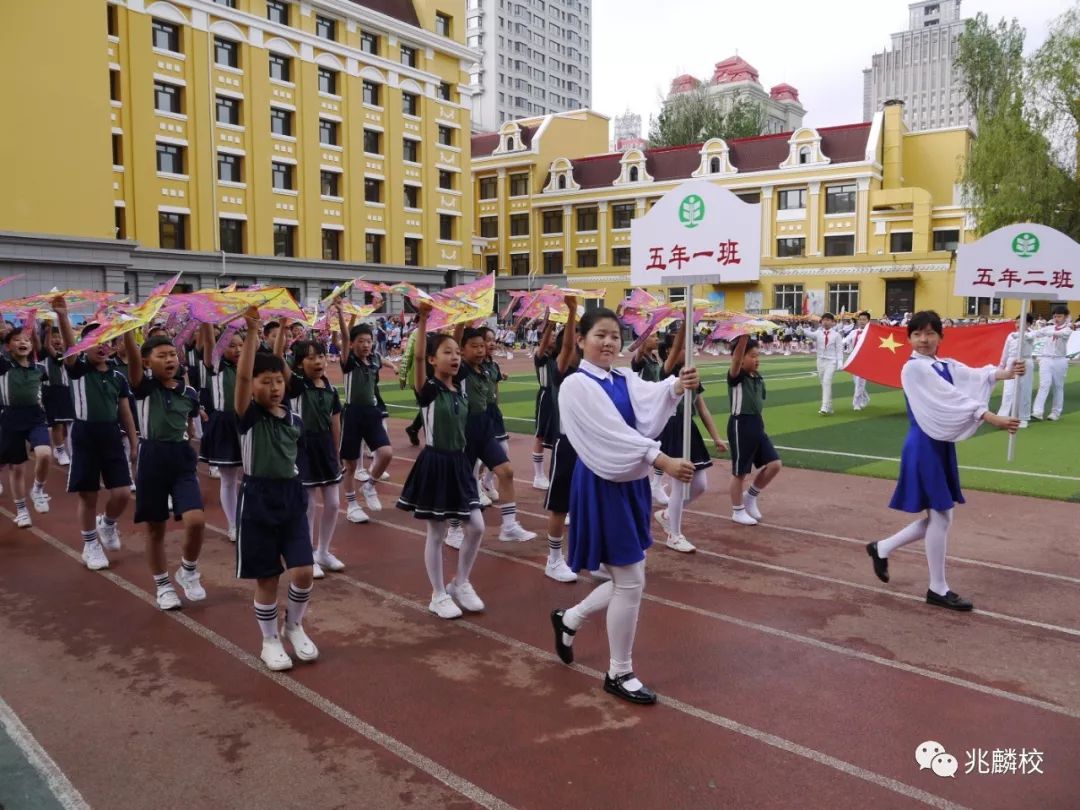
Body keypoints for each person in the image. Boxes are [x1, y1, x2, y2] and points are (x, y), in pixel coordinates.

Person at [550, 307, 698, 705]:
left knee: (626, 578)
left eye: (614, 336)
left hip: (629, 483)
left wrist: (675, 387)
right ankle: (619, 671)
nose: (608, 343)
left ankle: (571, 618)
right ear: (580, 339)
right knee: (631, 580)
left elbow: (649, 403)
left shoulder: (622, 377)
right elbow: (610, 434)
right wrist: (661, 459)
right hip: (603, 484)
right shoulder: (576, 385)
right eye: (600, 335)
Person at [866, 311, 1023, 611]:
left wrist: (1007, 371)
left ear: (940, 336)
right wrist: (990, 417)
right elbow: (951, 397)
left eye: (930, 333)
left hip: (939, 445)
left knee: (941, 516)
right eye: (917, 334)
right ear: (909, 338)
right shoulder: (914, 369)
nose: (924, 340)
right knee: (941, 516)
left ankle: (882, 548)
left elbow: (974, 375)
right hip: (923, 445)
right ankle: (937, 587)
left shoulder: (943, 364)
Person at [234, 306, 318, 671]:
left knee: (303, 570)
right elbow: (240, 381)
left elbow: (294, 457)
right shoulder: (248, 417)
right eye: (264, 381)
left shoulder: (295, 419)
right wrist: (253, 333)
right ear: (252, 386)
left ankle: (294, 625)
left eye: (278, 381)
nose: (274, 387)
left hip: (291, 497)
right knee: (267, 576)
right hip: (257, 499)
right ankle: (269, 639)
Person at [396, 303, 486, 619]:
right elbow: (418, 358)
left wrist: (460, 316)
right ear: (433, 360)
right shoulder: (429, 389)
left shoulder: (458, 386)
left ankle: (460, 582)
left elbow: (457, 341)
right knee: (436, 533)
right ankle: (437, 594)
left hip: (460, 464)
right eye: (446, 353)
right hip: (435, 463)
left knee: (476, 527)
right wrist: (422, 320)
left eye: (456, 352)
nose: (455, 357)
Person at [52, 297, 138, 570]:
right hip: (84, 436)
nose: (102, 346)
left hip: (112, 436)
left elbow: (125, 412)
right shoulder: (77, 369)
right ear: (84, 346)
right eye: (95, 341)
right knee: (88, 495)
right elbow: (69, 344)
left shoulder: (118, 377)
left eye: (107, 340)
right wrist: (63, 316)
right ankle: (90, 544)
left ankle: (108, 524)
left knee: (123, 493)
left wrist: (134, 443)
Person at [124, 330, 206, 611]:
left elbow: (190, 423)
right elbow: (133, 366)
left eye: (172, 354)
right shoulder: (143, 387)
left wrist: (191, 436)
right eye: (161, 356)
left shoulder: (190, 392)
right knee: (155, 528)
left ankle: (188, 569)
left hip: (181, 458)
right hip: (152, 458)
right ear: (147, 363)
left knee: (195, 520)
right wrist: (127, 333)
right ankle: (162, 585)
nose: (169, 359)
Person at [452, 324, 535, 542]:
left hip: (485, 428)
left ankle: (509, 526)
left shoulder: (487, 368)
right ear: (461, 350)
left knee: (506, 471)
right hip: (464, 431)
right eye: (474, 346)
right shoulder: (460, 370)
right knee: (463, 481)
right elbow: (455, 343)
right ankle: (453, 529)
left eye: (482, 346)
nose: (480, 350)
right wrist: (460, 323)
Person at [653, 319, 726, 553]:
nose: (686, 351)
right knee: (680, 484)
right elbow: (674, 353)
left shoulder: (692, 374)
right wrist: (686, 324)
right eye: (682, 348)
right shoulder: (665, 371)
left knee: (700, 484)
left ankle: (666, 515)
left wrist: (716, 437)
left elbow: (701, 407)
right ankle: (674, 534)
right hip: (674, 427)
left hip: (689, 428)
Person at [280, 337, 343, 580]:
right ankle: (306, 554)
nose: (317, 361)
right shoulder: (296, 385)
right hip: (301, 447)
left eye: (320, 356)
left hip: (325, 448)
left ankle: (323, 551)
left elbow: (335, 421)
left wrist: (336, 452)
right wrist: (284, 330)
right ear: (298, 364)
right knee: (307, 505)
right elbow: (279, 361)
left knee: (334, 504)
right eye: (310, 357)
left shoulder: (330, 389)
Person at [337, 313, 392, 523]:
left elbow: (381, 359)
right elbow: (343, 335)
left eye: (368, 341)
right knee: (350, 466)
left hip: (372, 413)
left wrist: (394, 366)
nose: (366, 345)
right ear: (352, 344)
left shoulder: (375, 359)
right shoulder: (348, 361)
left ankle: (369, 486)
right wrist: (342, 316)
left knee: (386, 453)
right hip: (352, 414)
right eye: (360, 341)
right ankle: (352, 505)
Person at [540, 296, 580, 582]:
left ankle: (592, 555)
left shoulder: (592, 372)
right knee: (560, 503)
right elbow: (565, 346)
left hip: (589, 445)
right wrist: (573, 311)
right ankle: (554, 559)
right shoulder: (560, 372)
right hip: (566, 444)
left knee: (590, 501)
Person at [198, 323, 247, 541]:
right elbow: (209, 344)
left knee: (250, 476)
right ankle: (233, 524)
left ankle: (249, 518)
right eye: (231, 346)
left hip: (247, 423)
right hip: (225, 424)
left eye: (240, 345)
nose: (237, 350)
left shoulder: (248, 365)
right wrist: (208, 321)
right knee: (228, 478)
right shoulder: (216, 365)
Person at [0, 319, 51, 527]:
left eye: (26, 339)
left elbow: (42, 393)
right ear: (7, 346)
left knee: (44, 453)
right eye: (17, 339)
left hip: (35, 418)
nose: (23, 342)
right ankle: (21, 510)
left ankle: (38, 489)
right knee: (17, 468)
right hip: (10, 418)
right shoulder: (3, 365)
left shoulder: (39, 369)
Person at [727, 335, 783, 526]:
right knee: (740, 472)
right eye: (752, 355)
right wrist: (743, 336)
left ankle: (750, 496)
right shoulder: (737, 376)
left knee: (774, 464)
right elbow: (735, 360)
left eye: (758, 355)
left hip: (756, 424)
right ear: (741, 358)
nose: (756, 359)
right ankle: (737, 510)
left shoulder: (757, 377)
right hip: (740, 425)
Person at [631, 329, 669, 506]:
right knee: (640, 450)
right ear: (643, 340)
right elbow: (637, 357)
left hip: (654, 408)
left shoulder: (654, 358)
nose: (657, 339)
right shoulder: (640, 359)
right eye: (653, 336)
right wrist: (644, 330)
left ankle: (656, 484)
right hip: (642, 409)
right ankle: (638, 483)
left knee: (659, 446)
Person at [1031, 305, 1072, 421]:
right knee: (1044, 384)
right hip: (1046, 358)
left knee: (1058, 386)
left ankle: (1056, 412)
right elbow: (1036, 333)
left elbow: (1059, 334)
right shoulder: (1049, 328)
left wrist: (1046, 332)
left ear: (1065, 317)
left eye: (1059, 316)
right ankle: (1037, 411)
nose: (1057, 318)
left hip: (1060, 359)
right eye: (1055, 316)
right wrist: (1026, 335)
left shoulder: (1067, 329)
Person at [41, 326, 74, 466]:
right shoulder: (43, 353)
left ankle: (59, 446)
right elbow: (47, 346)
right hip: (51, 390)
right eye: (55, 336)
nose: (57, 340)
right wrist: (48, 331)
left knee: (66, 424)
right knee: (57, 424)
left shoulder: (67, 355)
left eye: (59, 337)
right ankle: (61, 451)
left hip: (67, 391)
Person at [531, 320, 558, 492]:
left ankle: (550, 473)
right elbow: (542, 347)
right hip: (545, 396)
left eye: (556, 335)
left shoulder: (557, 356)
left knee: (557, 433)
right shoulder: (540, 356)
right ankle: (538, 475)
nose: (554, 337)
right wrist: (550, 325)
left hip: (557, 395)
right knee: (540, 434)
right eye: (551, 335)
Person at [997, 314, 1035, 428]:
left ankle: (1023, 417)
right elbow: (1005, 351)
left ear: (1028, 324)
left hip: (1025, 361)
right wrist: (1001, 366)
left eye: (1021, 322)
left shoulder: (1031, 334)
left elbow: (1027, 337)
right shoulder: (1010, 335)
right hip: (1011, 362)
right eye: (1017, 322)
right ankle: (1003, 416)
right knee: (1008, 390)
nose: (1018, 325)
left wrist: (1019, 334)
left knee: (1024, 390)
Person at [808, 313, 843, 414]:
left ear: (833, 322)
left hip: (831, 361)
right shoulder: (819, 333)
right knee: (823, 383)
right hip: (820, 361)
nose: (826, 322)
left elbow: (839, 350)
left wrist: (840, 362)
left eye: (828, 320)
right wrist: (803, 331)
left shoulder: (836, 335)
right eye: (824, 320)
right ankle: (829, 406)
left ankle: (824, 406)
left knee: (827, 381)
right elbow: (810, 335)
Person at [844, 311, 872, 411]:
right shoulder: (853, 332)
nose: (862, 321)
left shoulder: (871, 333)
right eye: (860, 319)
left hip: (864, 360)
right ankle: (866, 398)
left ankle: (856, 403)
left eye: (864, 319)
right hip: (853, 360)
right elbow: (845, 340)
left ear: (868, 321)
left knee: (860, 382)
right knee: (857, 382)